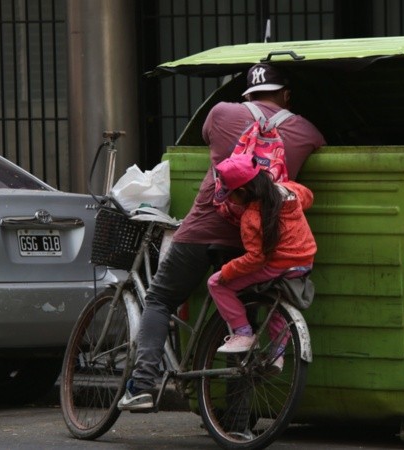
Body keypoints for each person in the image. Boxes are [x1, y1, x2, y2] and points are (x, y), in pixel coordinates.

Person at [118, 63, 325, 411]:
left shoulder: (221, 112)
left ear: (246, 94)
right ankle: (237, 419)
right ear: (286, 95)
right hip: (261, 242)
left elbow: (208, 141)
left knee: (160, 300)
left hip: (203, 230)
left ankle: (141, 385)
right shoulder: (306, 130)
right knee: (243, 323)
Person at [207, 153, 316, 374]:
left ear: (243, 192)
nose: (229, 200)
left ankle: (244, 332)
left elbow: (256, 258)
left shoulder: (251, 217)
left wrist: (227, 270)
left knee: (216, 284)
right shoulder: (289, 191)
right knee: (277, 306)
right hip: (304, 262)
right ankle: (276, 357)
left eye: (230, 195)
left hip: (277, 265)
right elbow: (309, 197)